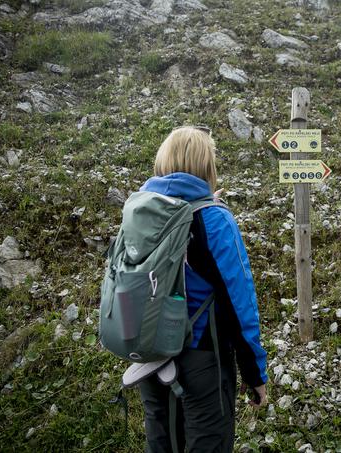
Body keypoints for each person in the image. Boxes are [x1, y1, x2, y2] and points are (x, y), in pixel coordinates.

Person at [136, 126, 268, 452]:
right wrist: (254, 375)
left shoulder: (140, 211)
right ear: (205, 165)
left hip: (149, 357)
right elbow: (240, 304)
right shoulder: (212, 219)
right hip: (201, 361)